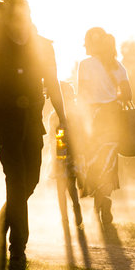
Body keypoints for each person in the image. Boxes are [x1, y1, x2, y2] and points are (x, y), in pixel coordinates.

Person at [0, 0, 67, 260]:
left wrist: (65, 118)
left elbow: (53, 84)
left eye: (23, 12)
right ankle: (18, 246)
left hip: (33, 120)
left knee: (31, 180)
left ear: (29, 14)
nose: (19, 19)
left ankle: (1, 218)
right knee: (16, 178)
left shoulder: (43, 46)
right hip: (5, 121)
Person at [77, 28, 132, 224]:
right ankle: (103, 201)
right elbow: (127, 95)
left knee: (92, 160)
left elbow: (82, 95)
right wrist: (111, 98)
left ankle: (99, 204)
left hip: (93, 117)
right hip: (114, 117)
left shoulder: (85, 65)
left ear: (91, 43)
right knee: (108, 163)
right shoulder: (118, 66)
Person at [49, 82, 84, 229]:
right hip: (62, 156)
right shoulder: (56, 116)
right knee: (66, 188)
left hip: (68, 156)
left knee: (68, 188)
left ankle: (74, 217)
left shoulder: (72, 115)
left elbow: (79, 136)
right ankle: (70, 218)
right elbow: (52, 137)